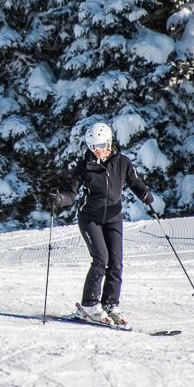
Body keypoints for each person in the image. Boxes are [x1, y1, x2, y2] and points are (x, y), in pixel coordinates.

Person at [49, 122, 156, 329]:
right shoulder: (84, 166)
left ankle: (110, 304)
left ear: (109, 142)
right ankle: (89, 305)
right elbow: (71, 194)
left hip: (114, 217)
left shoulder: (122, 162)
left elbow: (135, 182)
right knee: (101, 258)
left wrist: (145, 194)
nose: (97, 150)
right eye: (92, 146)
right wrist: (59, 199)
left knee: (116, 262)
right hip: (90, 218)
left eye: (100, 144)